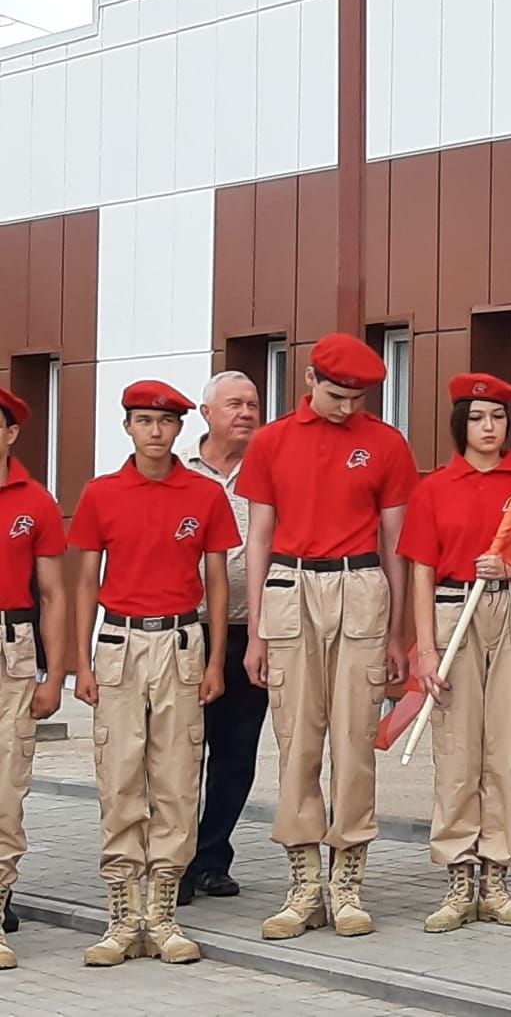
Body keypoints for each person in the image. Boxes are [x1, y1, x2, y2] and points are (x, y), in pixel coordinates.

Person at [239, 334, 417, 940]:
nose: (347, 408)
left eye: (359, 398)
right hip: (291, 588)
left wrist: (400, 633)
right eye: (337, 395)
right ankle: (303, 881)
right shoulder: (271, 441)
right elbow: (258, 539)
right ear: (309, 379)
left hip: (361, 585)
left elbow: (397, 546)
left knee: (354, 738)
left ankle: (349, 881)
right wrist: (256, 633)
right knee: (297, 739)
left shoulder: (386, 443)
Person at [68, 381, 238, 966]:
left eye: (165, 422)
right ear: (127, 427)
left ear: (180, 428)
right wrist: (80, 660)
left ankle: (162, 914)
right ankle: (121, 917)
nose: (155, 432)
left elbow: (217, 580)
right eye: (143, 421)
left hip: (182, 644)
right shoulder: (101, 494)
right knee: (119, 775)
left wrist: (216, 660)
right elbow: (86, 580)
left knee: (175, 776)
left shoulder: (204, 494)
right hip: (118, 643)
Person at [399, 374, 511, 931]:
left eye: (500, 417)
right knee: (457, 751)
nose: (490, 428)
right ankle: (458, 874)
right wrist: (425, 650)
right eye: (480, 417)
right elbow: (419, 571)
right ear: (462, 422)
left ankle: (497, 875)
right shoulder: (435, 488)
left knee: (504, 746)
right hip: (451, 613)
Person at [179, 372, 265, 906]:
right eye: (234, 403)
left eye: (254, 404)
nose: (246, 412)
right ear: (206, 412)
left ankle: (213, 857)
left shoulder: (271, 469)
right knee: (182, 751)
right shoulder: (177, 465)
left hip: (249, 630)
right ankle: (176, 860)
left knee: (236, 752)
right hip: (186, 630)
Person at [0, 388, 66, 970]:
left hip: (12, 649)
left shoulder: (35, 501)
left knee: (6, 782)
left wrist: (55, 674)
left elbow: (53, 594)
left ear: (11, 433)